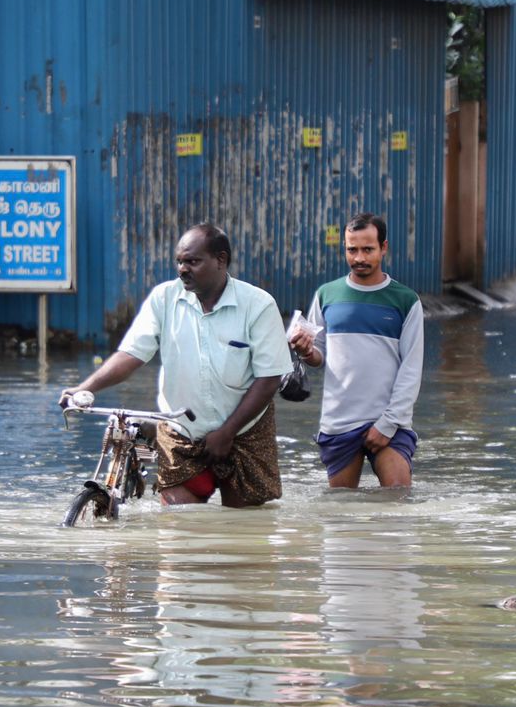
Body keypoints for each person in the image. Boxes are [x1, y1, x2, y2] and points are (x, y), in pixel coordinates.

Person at [59, 224, 293, 507]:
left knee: (244, 527)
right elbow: (131, 354)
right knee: (178, 528)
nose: (183, 269)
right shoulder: (164, 298)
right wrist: (84, 389)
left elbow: (269, 378)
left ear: (221, 260)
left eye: (193, 261)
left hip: (245, 432)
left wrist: (228, 431)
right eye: (180, 261)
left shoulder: (258, 305)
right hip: (182, 433)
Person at [289, 213, 422, 488]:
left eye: (367, 249)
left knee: (398, 501)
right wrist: (305, 350)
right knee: (341, 511)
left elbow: (411, 369)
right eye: (352, 250)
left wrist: (388, 423)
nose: (359, 257)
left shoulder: (406, 300)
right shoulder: (327, 294)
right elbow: (318, 356)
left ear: (383, 248)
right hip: (340, 421)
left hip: (390, 423)